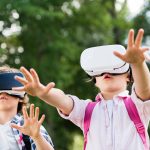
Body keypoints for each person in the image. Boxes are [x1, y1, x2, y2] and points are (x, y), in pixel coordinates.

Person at [13, 29, 150, 150]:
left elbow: (144, 90)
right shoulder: (86, 110)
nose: (106, 73)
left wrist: (138, 64)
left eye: (114, 70)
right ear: (95, 81)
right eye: (100, 72)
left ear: (128, 77)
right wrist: (43, 92)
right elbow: (64, 101)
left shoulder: (136, 105)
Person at [0, 65, 54, 150]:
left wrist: (37, 137)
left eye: (9, 87)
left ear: (21, 97)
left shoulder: (31, 126)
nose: (3, 93)